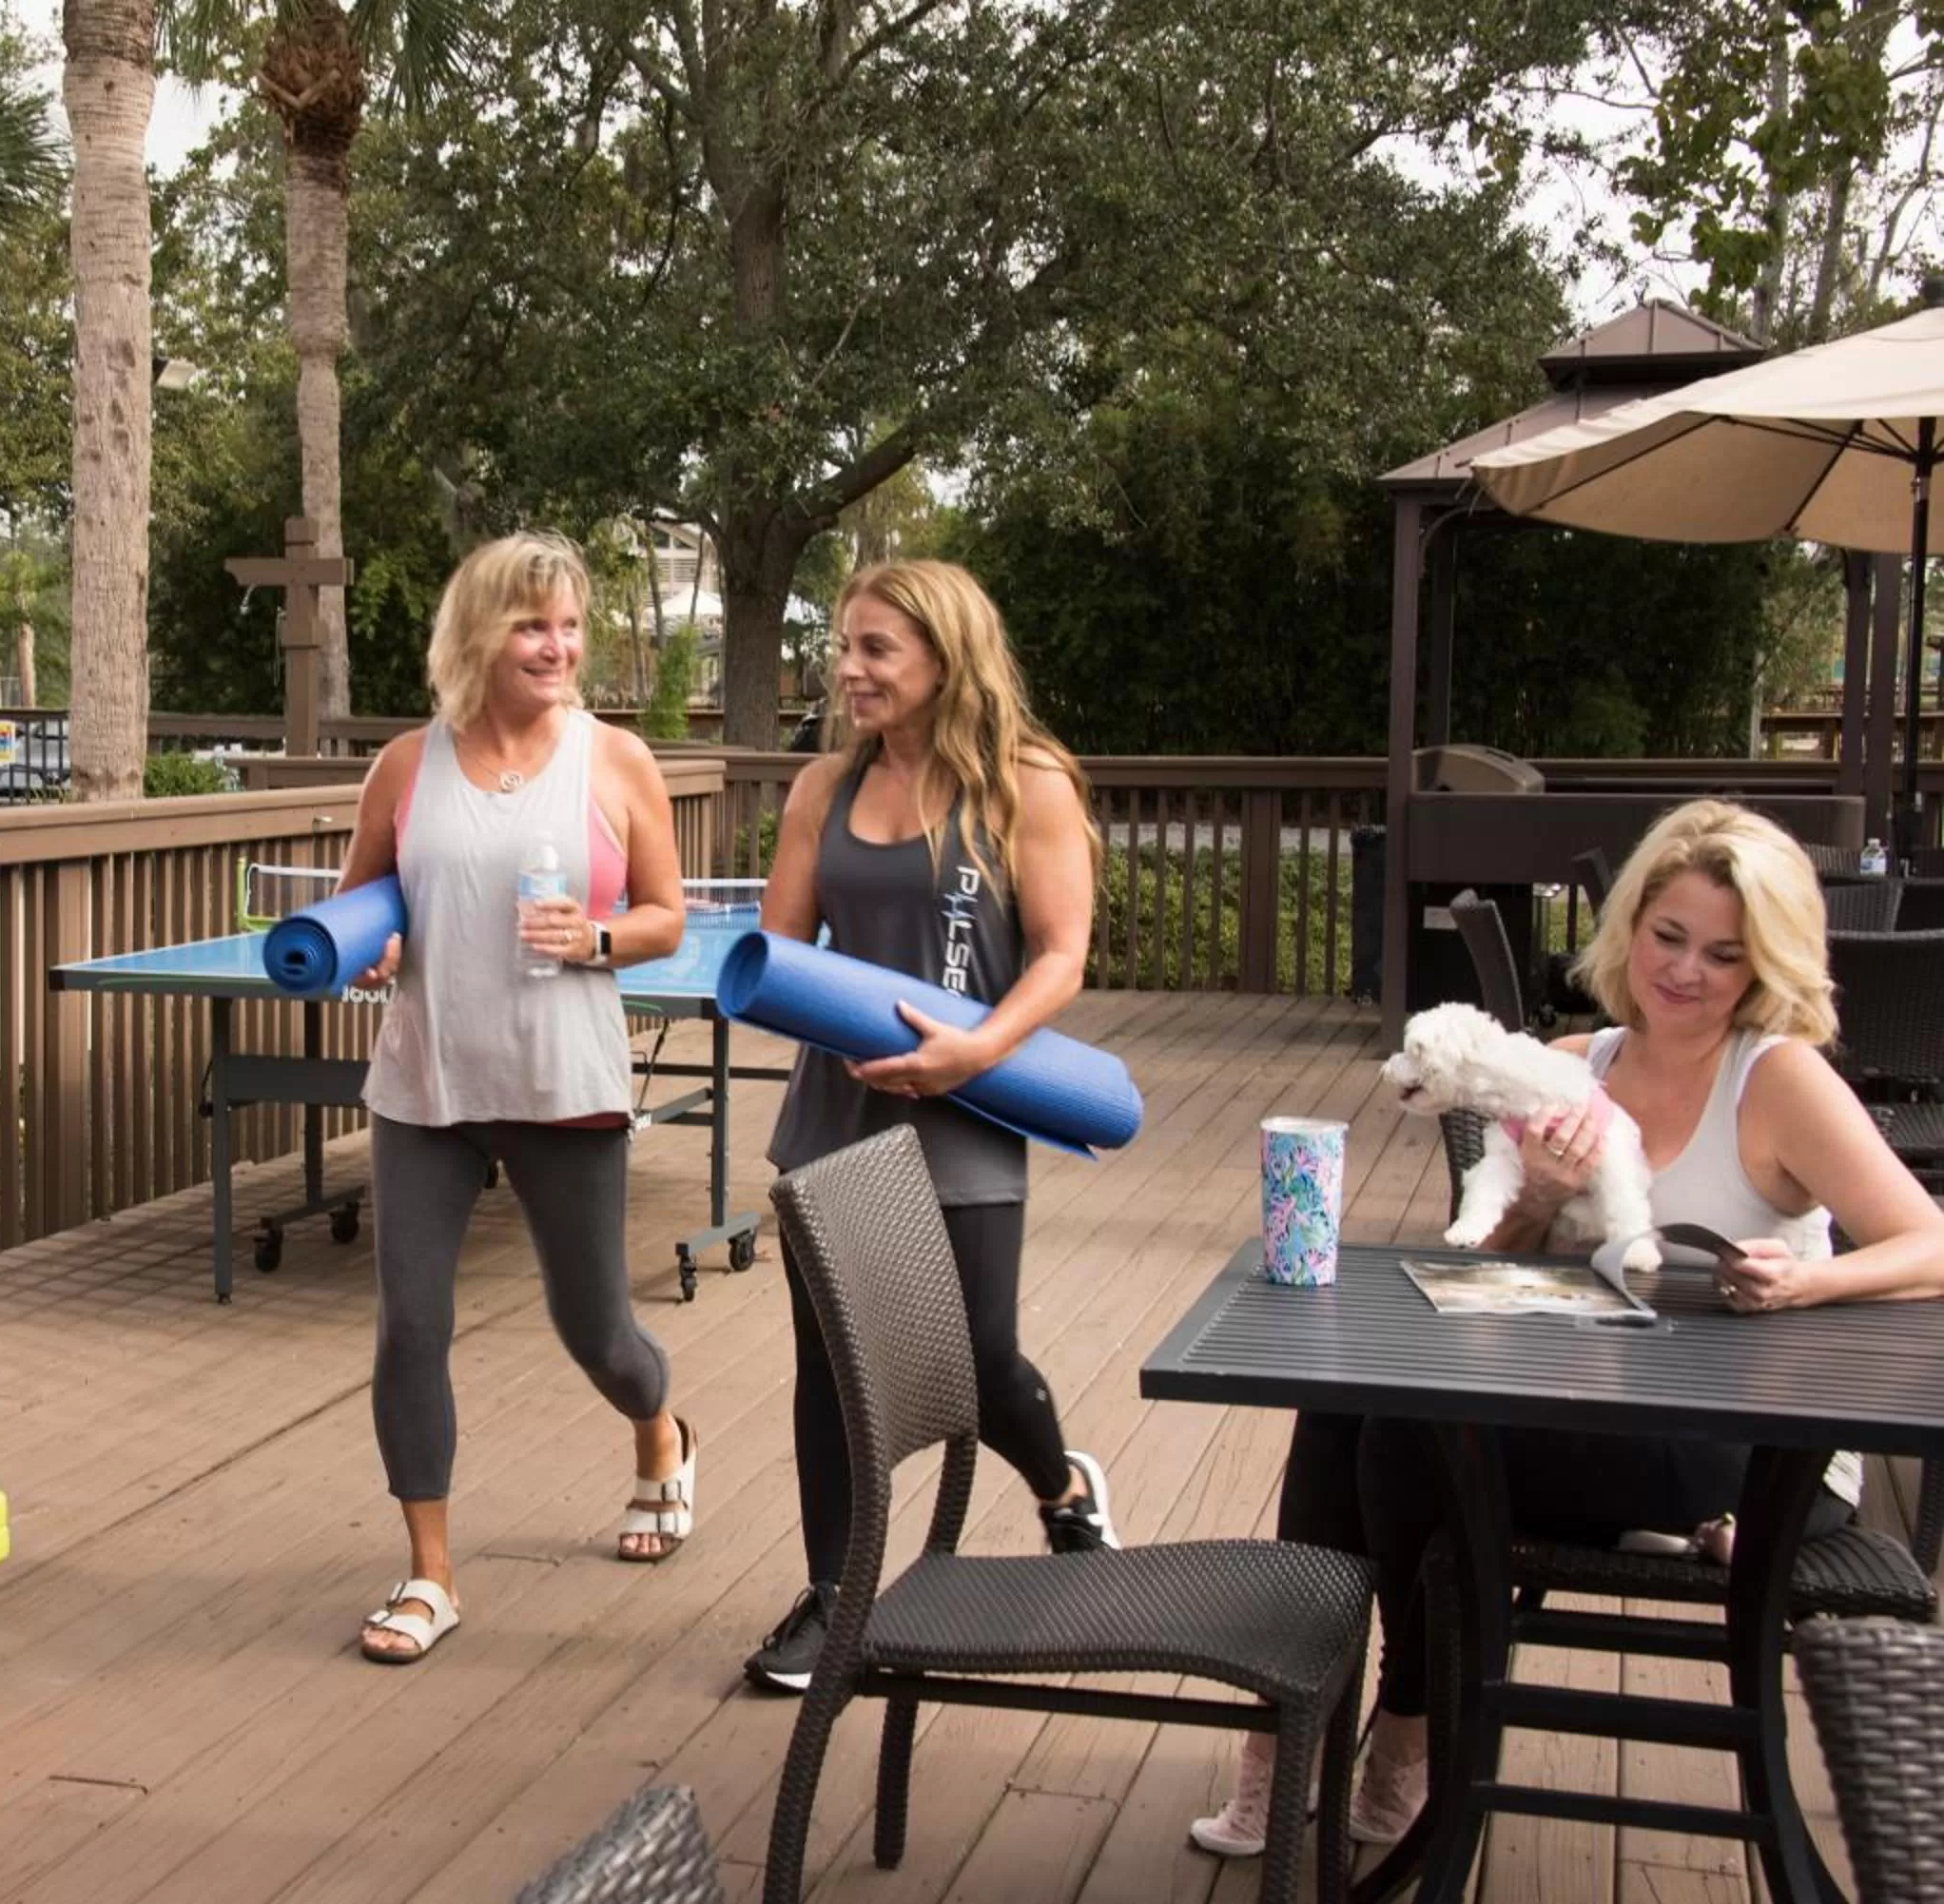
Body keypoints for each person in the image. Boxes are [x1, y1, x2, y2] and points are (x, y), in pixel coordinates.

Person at [1191, 799, 1944, 1858]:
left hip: (1755, 1457)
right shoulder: (1576, 1064)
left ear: (1764, 964)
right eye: (1666, 936)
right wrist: (1536, 1199)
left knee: (1409, 1436)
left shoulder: (1775, 1079)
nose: (1684, 971)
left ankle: (1404, 1734)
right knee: (1343, 1400)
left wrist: (1804, 1283)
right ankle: (1289, 1732)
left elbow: (1931, 1243)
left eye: (1724, 953)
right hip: (1598, 1411)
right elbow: (1494, 1270)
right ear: (1628, 926)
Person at [742, 558, 1117, 1697]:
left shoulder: (1026, 785)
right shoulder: (821, 792)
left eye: (874, 651)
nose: (847, 670)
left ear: (945, 658)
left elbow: (1060, 953)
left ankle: (1062, 1489)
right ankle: (836, 1598)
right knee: (831, 1369)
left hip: (966, 1097)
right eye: (843, 646)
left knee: (976, 1360)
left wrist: (976, 1050)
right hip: (836, 1111)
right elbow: (781, 944)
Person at [339, 532, 695, 1665]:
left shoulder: (616, 759)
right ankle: (429, 1574)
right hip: (425, 1083)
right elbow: (360, 906)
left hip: (563, 1082)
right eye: (534, 623)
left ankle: (660, 1430)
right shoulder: (406, 765)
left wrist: (597, 936)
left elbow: (665, 916)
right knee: (411, 1326)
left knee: (596, 1331)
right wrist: (369, 948)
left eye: (571, 624)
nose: (558, 644)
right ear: (480, 634)